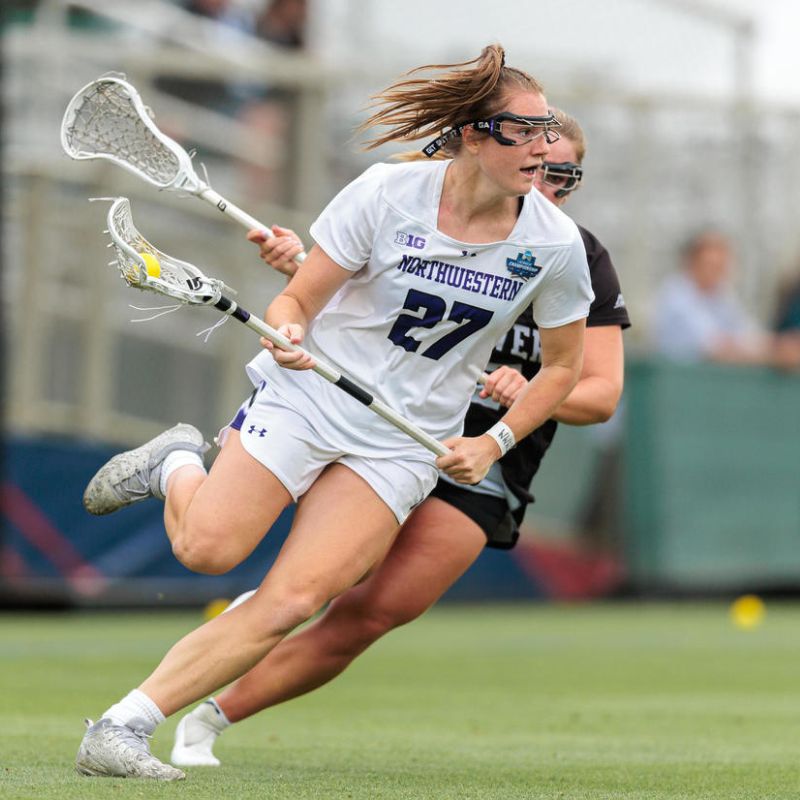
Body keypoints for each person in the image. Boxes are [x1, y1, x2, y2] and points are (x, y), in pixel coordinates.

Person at [74, 45, 594, 781]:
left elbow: (567, 368)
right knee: (208, 551)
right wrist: (287, 330)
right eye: (523, 131)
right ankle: (177, 464)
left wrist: (496, 441)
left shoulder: (554, 243)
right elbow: (298, 299)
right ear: (474, 135)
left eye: (547, 133)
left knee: (294, 600)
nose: (542, 149)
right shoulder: (387, 193)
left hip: (398, 444)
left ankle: (121, 728)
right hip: (309, 396)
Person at [169, 108, 630, 768]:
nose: (544, 181)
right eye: (535, 160)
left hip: (486, 459)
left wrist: (518, 398)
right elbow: (360, 306)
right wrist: (297, 270)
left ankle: (211, 717)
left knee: (378, 609)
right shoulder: (419, 203)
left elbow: (597, 394)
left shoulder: (573, 256)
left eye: (564, 173)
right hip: (378, 426)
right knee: (287, 577)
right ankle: (178, 481)